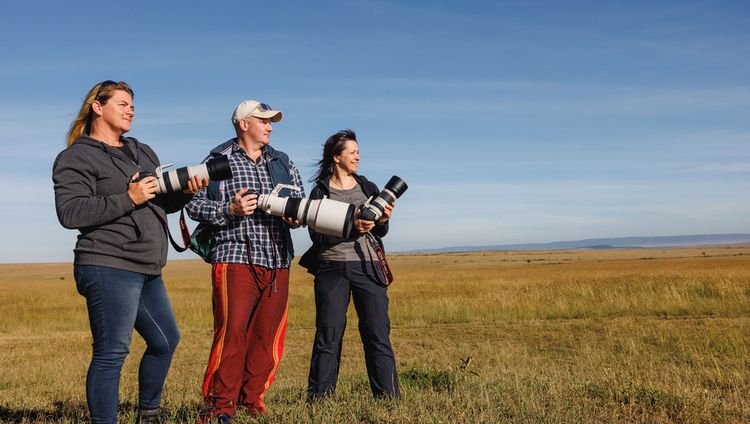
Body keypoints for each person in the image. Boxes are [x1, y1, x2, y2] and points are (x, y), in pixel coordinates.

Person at [52, 80, 207, 424]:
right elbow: (71, 212)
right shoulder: (76, 156)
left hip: (147, 264)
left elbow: (160, 201)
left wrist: (186, 193)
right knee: (112, 352)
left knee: (166, 340)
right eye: (122, 103)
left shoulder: (141, 149)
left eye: (132, 105)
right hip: (107, 263)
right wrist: (128, 198)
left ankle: (149, 413)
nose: (130, 110)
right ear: (97, 106)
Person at [185, 99, 305, 422]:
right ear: (243, 124)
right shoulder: (217, 160)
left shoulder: (283, 162)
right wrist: (230, 210)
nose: (269, 126)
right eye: (263, 120)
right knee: (232, 334)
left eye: (271, 122)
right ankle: (218, 408)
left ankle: (251, 402)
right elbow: (192, 205)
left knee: (267, 337)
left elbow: (299, 201)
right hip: (234, 257)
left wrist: (296, 216)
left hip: (278, 258)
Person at [299, 129, 400, 400]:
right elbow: (316, 234)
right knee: (328, 335)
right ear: (336, 157)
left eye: (358, 152)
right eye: (352, 152)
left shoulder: (367, 187)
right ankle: (319, 400)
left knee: (377, 332)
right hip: (332, 268)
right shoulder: (320, 191)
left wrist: (382, 220)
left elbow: (381, 233)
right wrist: (350, 226)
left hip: (368, 266)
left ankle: (388, 398)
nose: (358, 156)